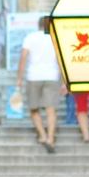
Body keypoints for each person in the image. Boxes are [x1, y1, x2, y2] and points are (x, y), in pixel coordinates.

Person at [17, 16, 63, 152]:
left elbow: (23, 57)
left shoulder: (30, 37)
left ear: (38, 25)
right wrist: (64, 81)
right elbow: (61, 59)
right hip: (52, 76)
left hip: (33, 76)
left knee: (34, 108)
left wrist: (19, 78)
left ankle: (42, 135)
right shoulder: (55, 38)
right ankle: (51, 138)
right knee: (51, 109)